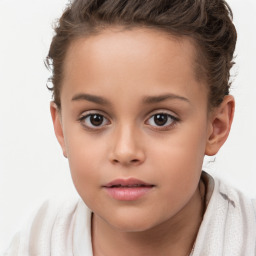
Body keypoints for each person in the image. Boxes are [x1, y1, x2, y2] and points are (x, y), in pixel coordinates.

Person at [4, 0, 256, 255]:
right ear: (61, 129)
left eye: (161, 119)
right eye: (95, 119)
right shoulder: (38, 242)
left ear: (216, 127)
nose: (125, 151)